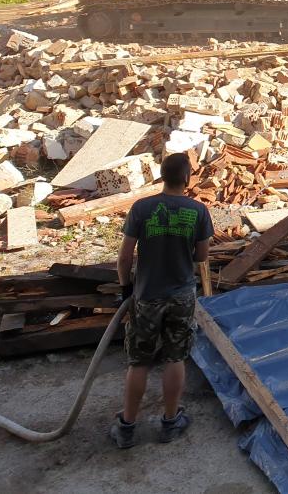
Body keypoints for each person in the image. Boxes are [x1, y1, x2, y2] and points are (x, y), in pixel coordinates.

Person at [110, 152, 213, 448]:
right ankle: (170, 422)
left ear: (161, 175)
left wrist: (126, 289)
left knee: (139, 360)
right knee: (175, 356)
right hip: (181, 295)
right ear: (187, 178)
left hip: (146, 295)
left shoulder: (142, 208)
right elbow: (202, 257)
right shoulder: (198, 211)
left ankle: (127, 426)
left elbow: (124, 257)